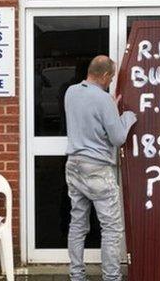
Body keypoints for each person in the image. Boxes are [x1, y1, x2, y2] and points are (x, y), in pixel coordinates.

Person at [64, 55, 137, 281]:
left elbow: (88, 119)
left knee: (77, 224)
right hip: (96, 168)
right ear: (105, 75)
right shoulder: (103, 99)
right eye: (112, 77)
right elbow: (117, 138)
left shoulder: (71, 92)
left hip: (73, 165)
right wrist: (126, 117)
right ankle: (112, 278)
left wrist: (110, 110)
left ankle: (77, 276)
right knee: (112, 228)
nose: (112, 81)